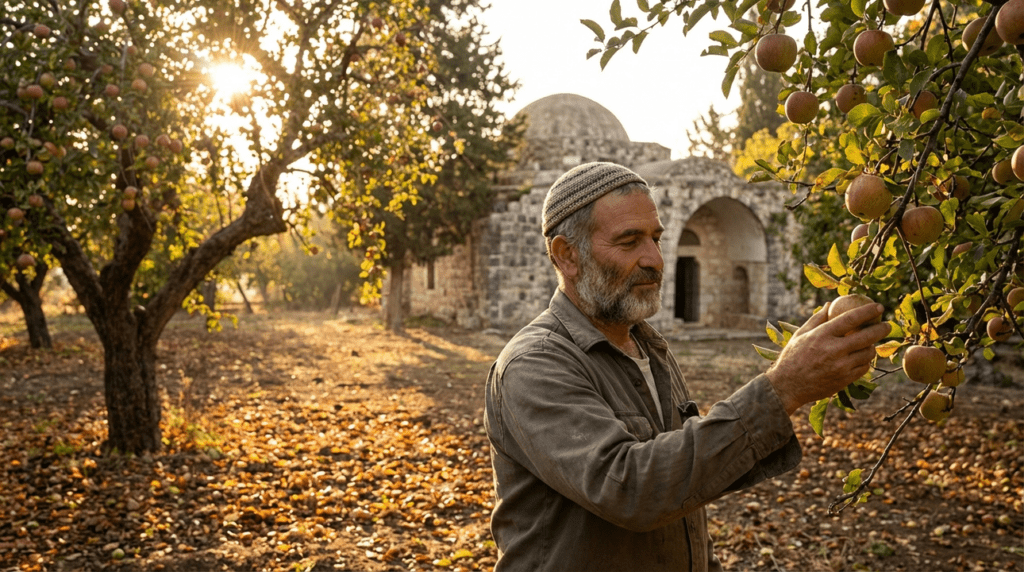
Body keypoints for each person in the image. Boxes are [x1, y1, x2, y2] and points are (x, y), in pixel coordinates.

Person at [483, 162, 890, 571]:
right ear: (567, 255)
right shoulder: (533, 365)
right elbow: (631, 489)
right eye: (629, 242)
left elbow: (679, 490)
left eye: (656, 239)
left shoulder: (648, 348)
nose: (655, 260)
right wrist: (782, 389)